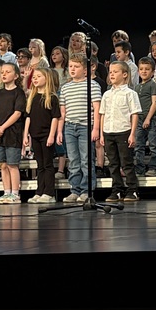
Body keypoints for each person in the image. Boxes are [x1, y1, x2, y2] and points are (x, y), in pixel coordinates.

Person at [57, 52, 102, 203]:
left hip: (85, 127)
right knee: (74, 160)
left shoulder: (92, 85)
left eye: (76, 66)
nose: (73, 69)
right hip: (69, 127)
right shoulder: (65, 88)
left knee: (86, 159)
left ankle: (86, 190)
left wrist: (95, 129)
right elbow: (62, 112)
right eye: (70, 66)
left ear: (85, 69)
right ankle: (74, 190)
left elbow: (97, 109)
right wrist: (59, 131)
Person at [100, 60, 143, 203]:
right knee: (113, 164)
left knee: (126, 163)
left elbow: (134, 113)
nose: (112, 74)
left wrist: (132, 133)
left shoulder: (130, 93)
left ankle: (132, 190)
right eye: (110, 72)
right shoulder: (106, 94)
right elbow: (103, 114)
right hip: (108, 131)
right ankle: (117, 190)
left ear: (124, 74)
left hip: (123, 131)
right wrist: (101, 134)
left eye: (115, 72)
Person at [0, 62, 27, 204]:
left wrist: (3, 127)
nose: (4, 74)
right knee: (3, 165)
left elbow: (17, 113)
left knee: (12, 164)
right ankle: (6, 192)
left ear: (16, 75)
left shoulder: (18, 92)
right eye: (3, 71)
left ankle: (15, 193)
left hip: (12, 132)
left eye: (8, 71)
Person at [24, 68, 61, 204]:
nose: (35, 79)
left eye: (39, 76)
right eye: (34, 77)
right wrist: (26, 135)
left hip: (46, 135)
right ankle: (39, 191)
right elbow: (28, 117)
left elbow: (55, 118)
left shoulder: (51, 98)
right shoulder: (32, 97)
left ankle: (49, 193)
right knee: (39, 165)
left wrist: (52, 135)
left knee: (47, 164)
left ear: (47, 79)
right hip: (34, 135)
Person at [132, 56, 156, 177]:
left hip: (151, 119)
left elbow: (155, 103)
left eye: (147, 69)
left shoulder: (153, 85)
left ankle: (154, 168)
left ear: (153, 71)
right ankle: (139, 168)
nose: (144, 71)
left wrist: (148, 118)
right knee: (139, 146)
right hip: (139, 119)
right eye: (141, 69)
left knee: (153, 145)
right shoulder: (137, 87)